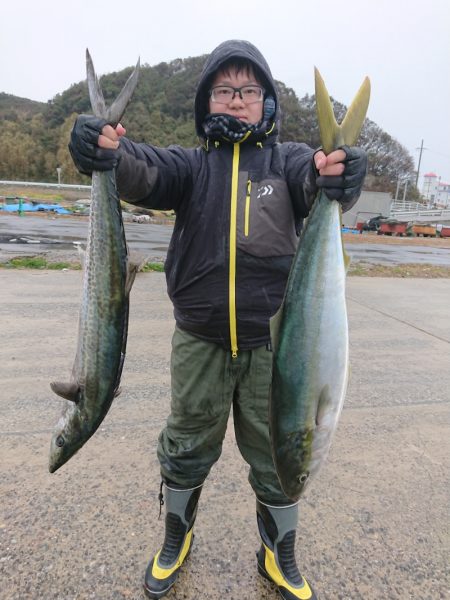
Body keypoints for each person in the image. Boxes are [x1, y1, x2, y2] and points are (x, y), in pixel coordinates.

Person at [69, 39, 367, 600]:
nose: (236, 101)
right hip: (200, 342)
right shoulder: (192, 167)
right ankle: (175, 538)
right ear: (207, 101)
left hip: (272, 351)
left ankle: (279, 554)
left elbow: (319, 178)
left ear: (267, 103)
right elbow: (142, 170)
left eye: (248, 91)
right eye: (224, 91)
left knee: (280, 457)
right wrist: (103, 149)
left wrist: (339, 175)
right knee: (184, 447)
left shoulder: (289, 162)